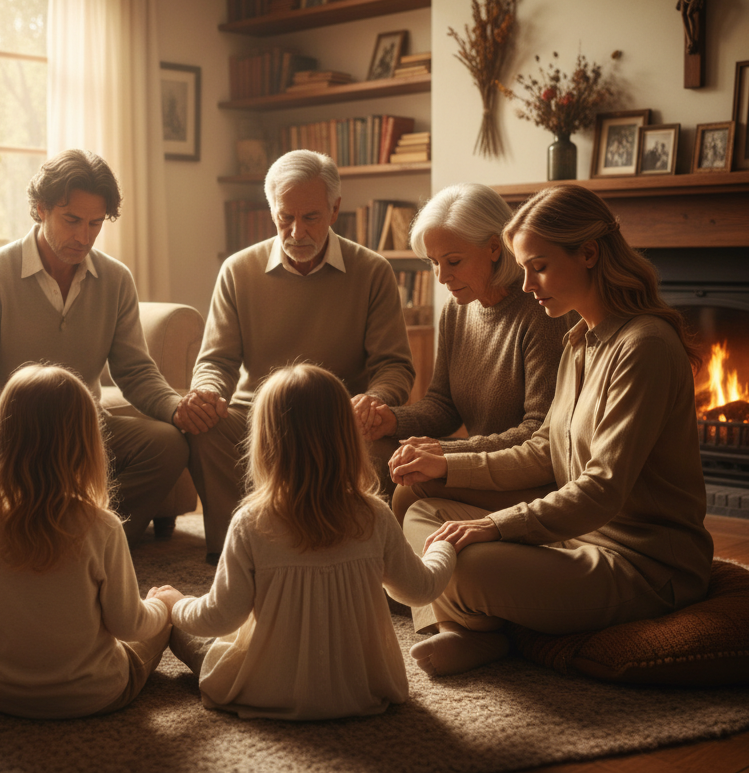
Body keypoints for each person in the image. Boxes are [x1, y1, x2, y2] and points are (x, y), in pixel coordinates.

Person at [393, 184, 713, 678]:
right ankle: (474, 631)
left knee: (461, 565)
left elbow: (602, 488)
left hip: (640, 566)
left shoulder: (645, 346)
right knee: (424, 512)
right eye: (523, 269)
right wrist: (448, 464)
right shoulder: (580, 337)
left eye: (538, 267)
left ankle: (477, 626)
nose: (526, 285)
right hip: (574, 540)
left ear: (588, 254)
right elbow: (544, 447)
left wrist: (494, 525)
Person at [163, 364, 455, 720]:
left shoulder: (251, 523)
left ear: (265, 443)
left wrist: (176, 605)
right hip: (363, 691)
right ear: (347, 438)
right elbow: (419, 590)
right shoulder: (374, 516)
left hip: (265, 691)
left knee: (189, 637)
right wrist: (444, 546)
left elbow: (220, 616)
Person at [178, 149, 415, 563]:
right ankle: (235, 551)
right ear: (271, 210)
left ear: (335, 209)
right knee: (206, 428)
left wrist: (376, 399)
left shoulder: (373, 270)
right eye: (285, 217)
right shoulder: (237, 270)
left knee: (383, 444)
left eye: (310, 217)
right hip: (257, 414)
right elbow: (216, 361)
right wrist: (208, 392)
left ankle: (351, 551)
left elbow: (394, 366)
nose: (296, 232)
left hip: (342, 417)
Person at [0, 149, 188, 543]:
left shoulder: (115, 279)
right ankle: (48, 543)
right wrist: (7, 425)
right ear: (40, 209)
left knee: (167, 445)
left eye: (95, 224)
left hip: (86, 426)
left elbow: (136, 371)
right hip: (12, 428)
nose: (84, 237)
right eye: (72, 220)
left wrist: (177, 408)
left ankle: (95, 544)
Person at [0, 365, 176, 718]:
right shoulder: (102, 527)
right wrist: (162, 606)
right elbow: (128, 625)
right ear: (87, 445)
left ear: (3, 440)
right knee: (161, 618)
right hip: (94, 692)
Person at [360, 184, 573, 521]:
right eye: (433, 263)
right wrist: (392, 420)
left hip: (532, 476)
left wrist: (444, 453)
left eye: (454, 261)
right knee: (374, 453)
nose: (443, 277)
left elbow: (536, 431)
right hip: (479, 462)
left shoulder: (540, 311)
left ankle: (415, 573)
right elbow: (443, 406)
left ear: (493, 247)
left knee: (408, 487)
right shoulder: (457, 310)